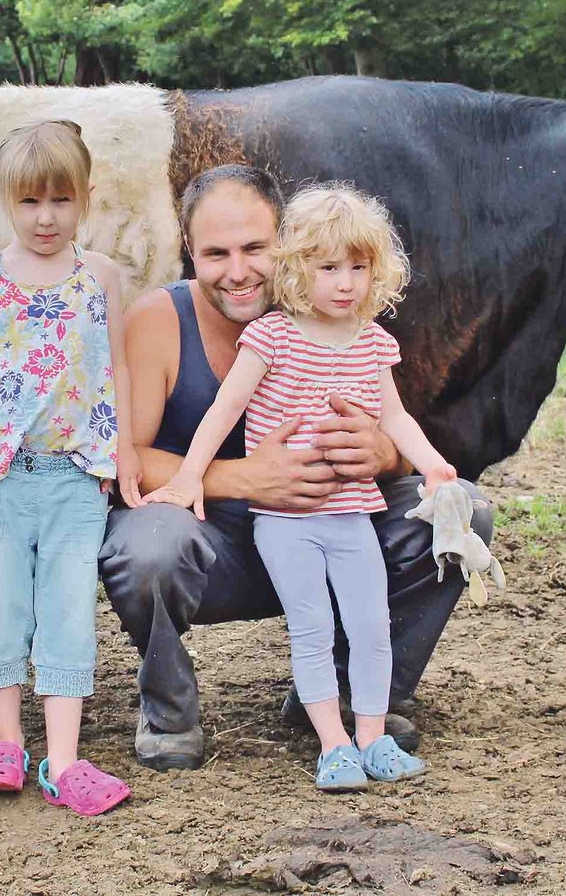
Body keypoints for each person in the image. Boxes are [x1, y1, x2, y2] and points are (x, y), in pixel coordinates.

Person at [98, 165, 494, 771]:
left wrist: (380, 453)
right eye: (216, 253)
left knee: (458, 510)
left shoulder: (340, 302)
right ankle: (169, 706)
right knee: (145, 546)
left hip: (332, 519)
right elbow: (126, 458)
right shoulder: (158, 322)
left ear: (286, 243)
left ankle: (356, 698)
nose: (238, 271)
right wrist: (240, 478)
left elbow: (394, 425)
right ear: (189, 253)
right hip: (211, 544)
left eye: (255, 248)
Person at [0, 120, 137, 816]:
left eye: (60, 199)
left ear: (86, 197)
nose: (45, 217)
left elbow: (114, 366)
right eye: (29, 202)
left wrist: (125, 453)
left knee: (67, 607)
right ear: (6, 201)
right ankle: (5, 742)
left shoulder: (101, 277)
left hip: (75, 475)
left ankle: (63, 758)